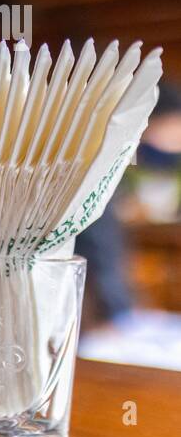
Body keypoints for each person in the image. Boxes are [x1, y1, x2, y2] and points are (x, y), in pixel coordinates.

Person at [78, 83, 181, 367]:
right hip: (91, 319)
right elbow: (96, 245)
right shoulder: (100, 158)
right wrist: (114, 315)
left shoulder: (122, 158)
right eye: (173, 132)